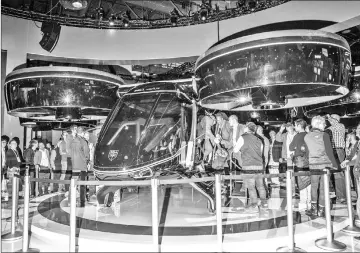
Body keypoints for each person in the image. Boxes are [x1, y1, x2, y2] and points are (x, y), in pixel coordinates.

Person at [304, 116, 338, 217]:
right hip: (325, 165)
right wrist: (335, 165)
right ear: (319, 124)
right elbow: (329, 151)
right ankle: (321, 210)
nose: (325, 125)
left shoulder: (307, 136)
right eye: (324, 123)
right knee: (323, 188)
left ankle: (314, 210)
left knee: (314, 187)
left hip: (313, 165)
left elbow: (306, 153)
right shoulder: (325, 135)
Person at [234, 122, 266, 212]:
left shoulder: (243, 137)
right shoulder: (259, 140)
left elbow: (235, 149)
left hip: (248, 165)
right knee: (261, 186)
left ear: (247, 128)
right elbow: (261, 152)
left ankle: (254, 205)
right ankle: (264, 203)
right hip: (259, 165)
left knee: (251, 187)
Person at [289, 119, 311, 210]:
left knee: (301, 182)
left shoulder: (297, 136)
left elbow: (290, 147)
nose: (294, 127)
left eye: (295, 125)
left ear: (299, 126)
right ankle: (309, 201)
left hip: (299, 160)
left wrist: (296, 148)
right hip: (309, 160)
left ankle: (303, 202)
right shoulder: (308, 135)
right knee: (309, 180)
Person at [325, 114, 346, 203]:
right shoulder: (329, 128)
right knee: (330, 173)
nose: (330, 120)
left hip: (338, 150)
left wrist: (328, 116)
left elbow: (335, 124)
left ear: (337, 119)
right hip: (330, 150)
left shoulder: (341, 126)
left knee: (338, 174)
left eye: (332, 118)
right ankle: (334, 194)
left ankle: (341, 196)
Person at [68, 125, 90, 207]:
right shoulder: (83, 141)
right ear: (83, 133)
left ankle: (70, 201)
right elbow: (86, 154)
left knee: (73, 184)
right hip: (82, 166)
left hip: (74, 166)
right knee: (82, 185)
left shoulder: (72, 140)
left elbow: (69, 152)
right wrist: (87, 161)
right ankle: (82, 202)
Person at [1, 136, 9, 200]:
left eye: (5, 142)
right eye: (3, 142)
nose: (5, 144)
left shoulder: (4, 150)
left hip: (3, 168)